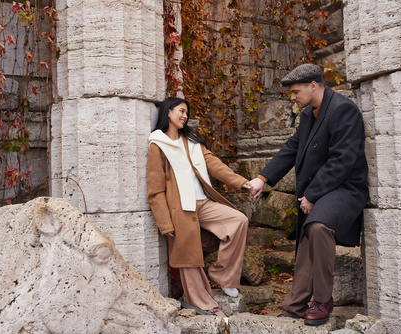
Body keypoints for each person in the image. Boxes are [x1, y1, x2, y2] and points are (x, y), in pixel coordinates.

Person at [249, 64, 369, 326]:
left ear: (313, 85)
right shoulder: (308, 114)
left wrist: (312, 195)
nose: (292, 97)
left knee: (316, 226)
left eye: (295, 91)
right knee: (306, 236)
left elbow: (342, 160)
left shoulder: (342, 110)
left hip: (345, 187)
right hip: (322, 190)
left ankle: (323, 300)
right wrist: (262, 178)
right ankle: (295, 306)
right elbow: (292, 148)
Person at [147, 97, 251, 317]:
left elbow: (215, 165)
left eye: (187, 113)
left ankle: (223, 277)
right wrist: (164, 223)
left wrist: (241, 182)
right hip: (180, 209)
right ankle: (205, 304)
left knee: (238, 221)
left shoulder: (192, 141)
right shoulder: (158, 146)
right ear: (168, 112)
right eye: (181, 111)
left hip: (203, 203)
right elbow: (155, 191)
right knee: (188, 257)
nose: (185, 116)